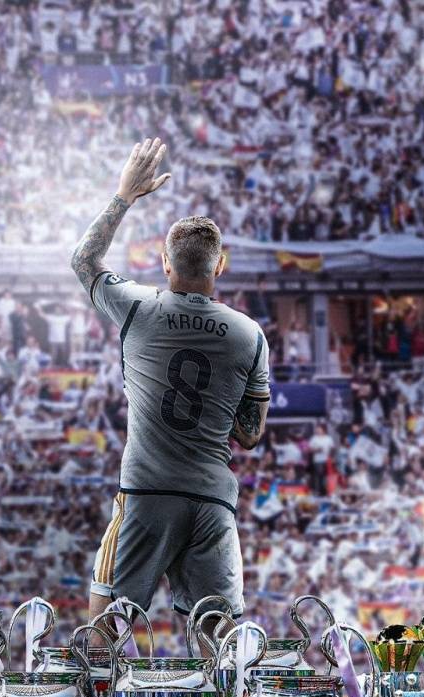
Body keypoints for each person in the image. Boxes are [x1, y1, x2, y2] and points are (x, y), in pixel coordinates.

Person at [71, 137, 271, 622]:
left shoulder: (138, 307)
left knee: (107, 626)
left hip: (147, 491)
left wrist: (125, 195)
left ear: (165, 264)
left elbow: (84, 261)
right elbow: (250, 434)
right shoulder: (249, 334)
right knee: (218, 638)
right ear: (219, 265)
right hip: (212, 499)